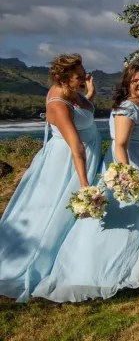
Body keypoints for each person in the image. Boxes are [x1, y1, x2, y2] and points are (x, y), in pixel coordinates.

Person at [33, 63, 139, 302]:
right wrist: (126, 178)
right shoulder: (127, 109)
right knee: (118, 224)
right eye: (136, 81)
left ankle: (125, 268)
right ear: (127, 85)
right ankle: (94, 272)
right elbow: (120, 146)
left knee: (136, 223)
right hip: (128, 174)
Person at [0, 54, 101, 302]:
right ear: (63, 78)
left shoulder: (74, 93)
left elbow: (82, 112)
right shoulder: (57, 103)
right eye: (78, 76)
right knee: (56, 211)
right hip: (69, 164)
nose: (83, 77)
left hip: (83, 158)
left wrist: (89, 93)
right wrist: (85, 183)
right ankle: (43, 262)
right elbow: (76, 146)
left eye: (83, 72)